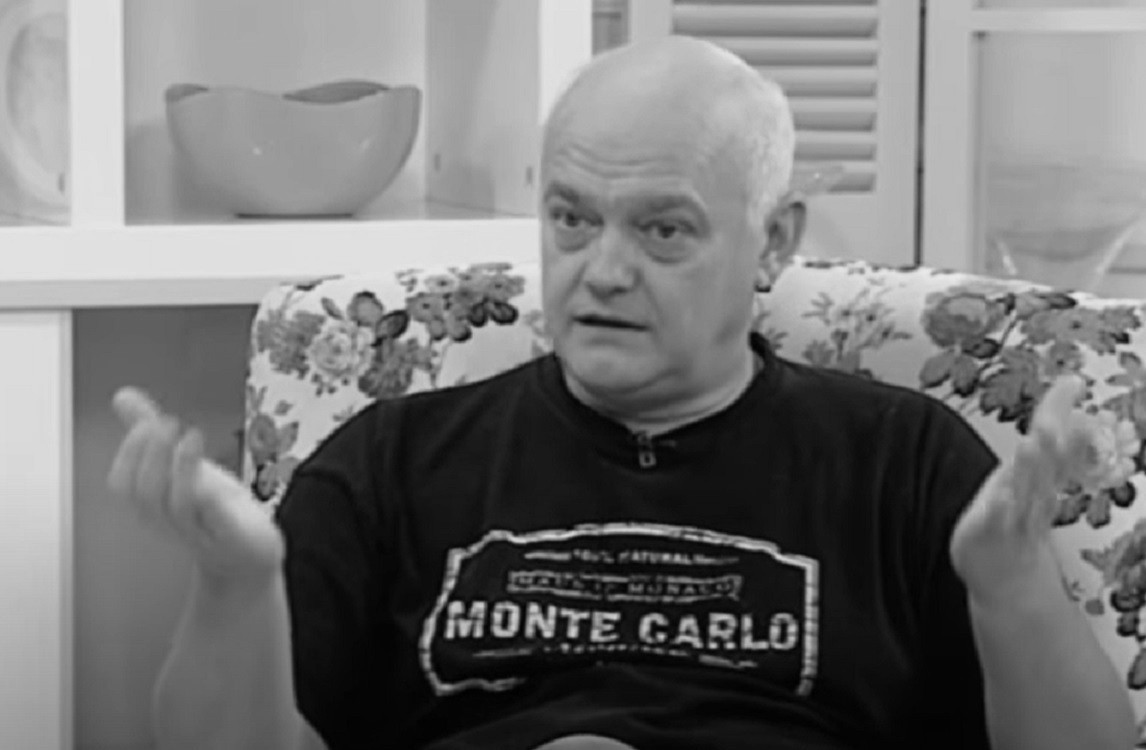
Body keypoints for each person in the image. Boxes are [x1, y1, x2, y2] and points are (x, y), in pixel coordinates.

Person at [107, 36, 1136, 750]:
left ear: (772, 242)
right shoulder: (392, 461)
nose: (601, 271)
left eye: (663, 228)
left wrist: (1012, 590)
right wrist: (233, 587)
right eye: (571, 217)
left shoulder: (902, 461)